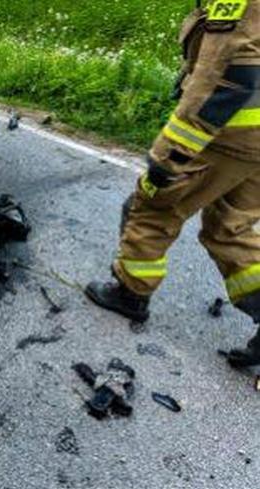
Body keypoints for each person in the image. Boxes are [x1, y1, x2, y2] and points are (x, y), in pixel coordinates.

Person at [86, 0, 260, 368]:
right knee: (231, 229)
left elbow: (227, 81)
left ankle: (130, 294)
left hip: (227, 135)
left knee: (152, 205)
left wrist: (170, 156)